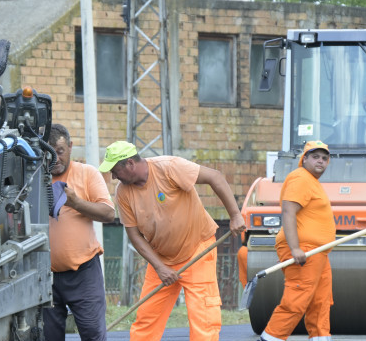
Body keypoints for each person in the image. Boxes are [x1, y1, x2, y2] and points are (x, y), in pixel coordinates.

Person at [99, 141, 246, 341]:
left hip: (197, 250)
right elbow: (134, 235)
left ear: (130, 164)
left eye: (115, 171)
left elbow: (215, 177)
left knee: (204, 321)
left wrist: (235, 215)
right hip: (162, 258)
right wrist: (160, 267)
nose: (114, 176)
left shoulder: (169, 167)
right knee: (146, 320)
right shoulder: (123, 193)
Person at [43, 124, 115, 341]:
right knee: (48, 336)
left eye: (60, 151)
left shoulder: (87, 173)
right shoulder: (34, 177)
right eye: (49, 152)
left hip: (84, 272)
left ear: (71, 147)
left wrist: (75, 203)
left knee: (93, 334)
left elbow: (108, 213)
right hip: (45, 276)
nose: (55, 158)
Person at [259, 140, 335, 341]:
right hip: (305, 250)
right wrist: (294, 248)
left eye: (324, 158)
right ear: (305, 159)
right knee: (297, 299)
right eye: (315, 156)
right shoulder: (300, 178)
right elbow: (288, 212)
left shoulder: (311, 182)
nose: (321, 161)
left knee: (321, 300)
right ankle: (270, 338)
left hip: (318, 251)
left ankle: (320, 337)